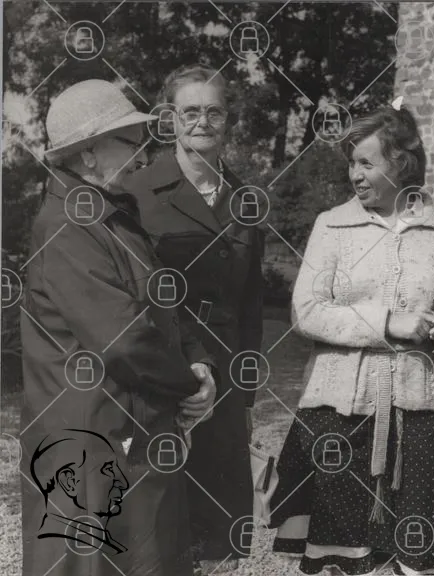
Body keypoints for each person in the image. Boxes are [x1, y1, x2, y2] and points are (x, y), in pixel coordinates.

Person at [268, 101, 434, 576]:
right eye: (352, 162)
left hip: (417, 407)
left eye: (366, 163)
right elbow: (306, 312)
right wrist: (388, 323)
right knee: (344, 551)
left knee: (420, 548)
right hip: (337, 407)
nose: (355, 174)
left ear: (401, 163)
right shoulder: (332, 225)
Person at [21, 79, 216, 576]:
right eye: (129, 141)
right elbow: (123, 340)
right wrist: (188, 386)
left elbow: (161, 307)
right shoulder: (69, 225)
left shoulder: (111, 214)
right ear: (87, 154)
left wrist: (199, 363)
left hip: (128, 428)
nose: (141, 155)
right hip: (92, 439)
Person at [129, 64, 263, 574]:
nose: (202, 122)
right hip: (162, 371)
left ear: (229, 120)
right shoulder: (137, 193)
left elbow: (250, 306)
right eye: (189, 112)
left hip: (225, 376)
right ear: (170, 119)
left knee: (219, 528)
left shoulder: (246, 200)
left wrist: (246, 396)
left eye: (214, 111)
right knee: (159, 518)